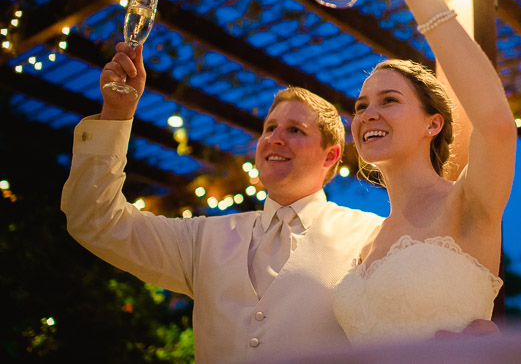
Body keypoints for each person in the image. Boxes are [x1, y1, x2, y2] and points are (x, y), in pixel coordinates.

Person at [61, 44, 384, 363]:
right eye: (269, 128)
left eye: (295, 130)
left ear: (331, 155)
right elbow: (95, 219)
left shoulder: (369, 235)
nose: (275, 138)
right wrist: (117, 114)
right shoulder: (202, 239)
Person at [322, 0, 518, 346]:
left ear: (434, 123)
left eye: (389, 101)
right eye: (362, 105)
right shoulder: (366, 241)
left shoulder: (468, 204)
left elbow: (497, 125)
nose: (368, 113)